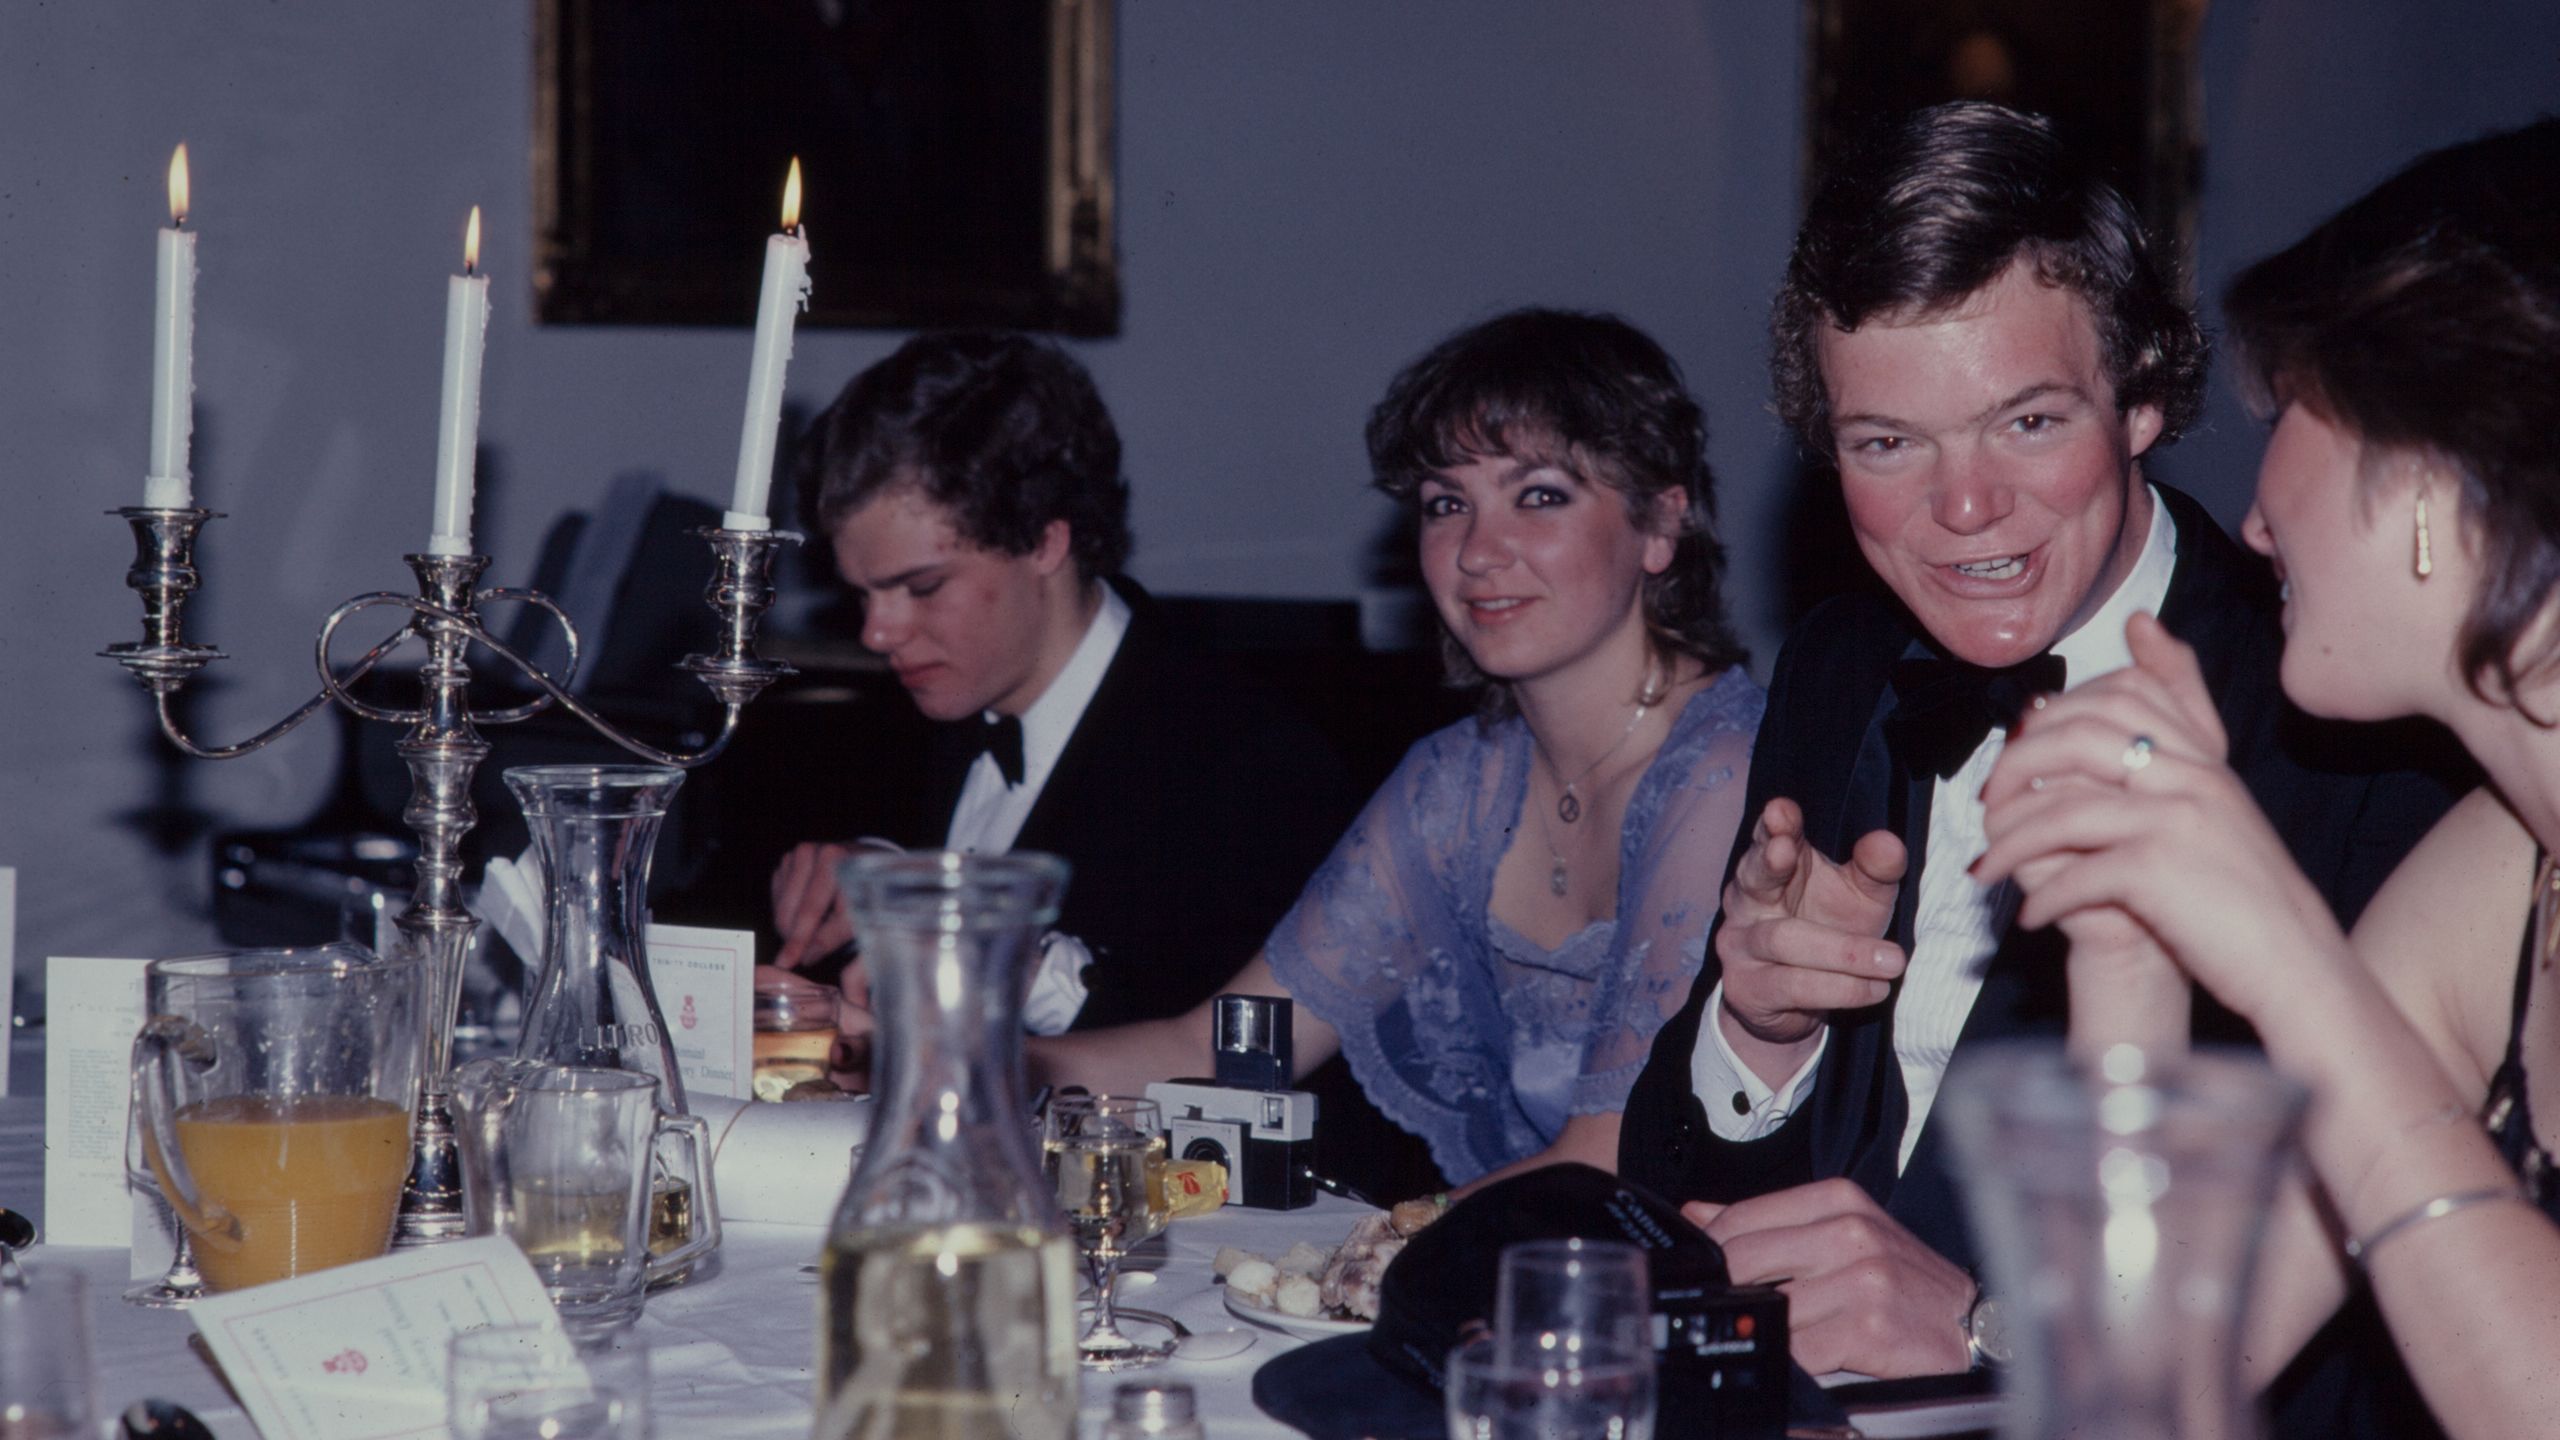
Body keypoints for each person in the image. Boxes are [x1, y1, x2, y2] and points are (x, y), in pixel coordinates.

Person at [1612, 101, 2461, 1388]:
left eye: (2027, 422)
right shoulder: (1843, 666)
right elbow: (1676, 1202)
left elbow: (2392, 1345)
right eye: (1888, 443)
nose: (1961, 510)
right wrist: (1759, 1025)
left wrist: (1991, 1329)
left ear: (2140, 401)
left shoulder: (2354, 734)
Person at [1975, 119, 2560, 1440]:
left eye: (2289, 409)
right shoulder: (2497, 877)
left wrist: (2293, 961)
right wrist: (2127, 954)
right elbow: (2148, 1387)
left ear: (2428, 462)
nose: (2247, 519)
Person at [1033, 308, 1765, 1189]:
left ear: (1659, 525)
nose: (1479, 551)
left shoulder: (1725, 768)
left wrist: (1392, 1245)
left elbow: (1618, 1153)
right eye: (1446, 504)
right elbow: (1219, 1045)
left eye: (1539, 495)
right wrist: (953, 1065)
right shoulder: (1459, 783)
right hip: (1523, 1263)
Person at [766, 330, 1358, 1036]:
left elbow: (1247, 1056)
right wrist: (891, 880)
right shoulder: (918, 713)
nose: (876, 634)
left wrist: (1003, 954)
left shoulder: (1248, 762)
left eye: (922, 587)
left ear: (1047, 541)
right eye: (861, 596)